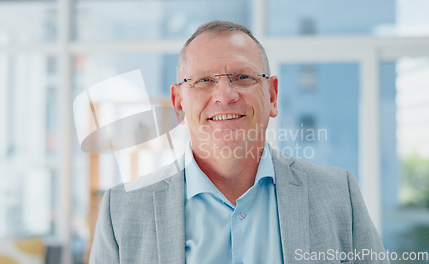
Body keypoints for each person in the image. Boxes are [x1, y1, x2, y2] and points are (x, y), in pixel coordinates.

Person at [88, 20, 388, 264]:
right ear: (178, 103)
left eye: (242, 77)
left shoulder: (338, 196)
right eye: (204, 80)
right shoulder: (123, 211)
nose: (225, 94)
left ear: (271, 96)